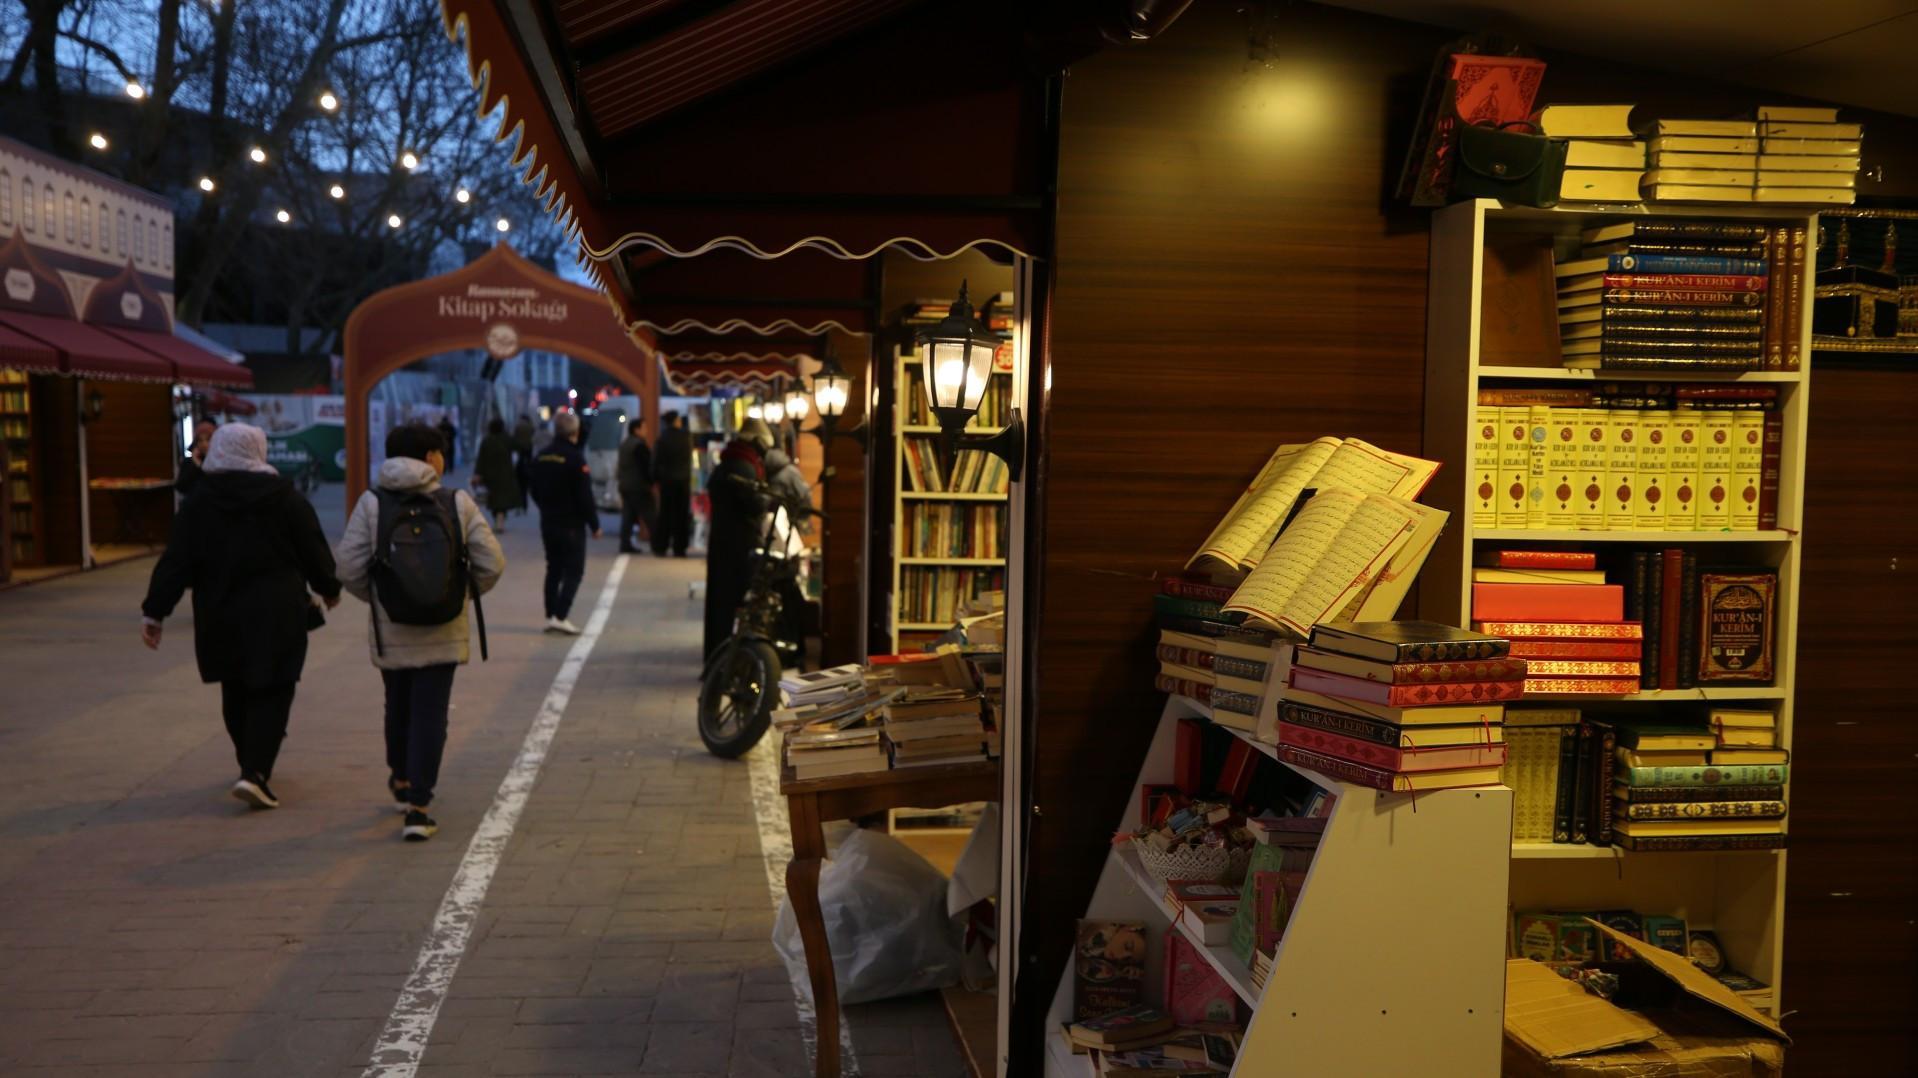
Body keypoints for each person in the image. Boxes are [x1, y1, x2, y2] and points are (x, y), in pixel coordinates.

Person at [141, 424, 341, 810]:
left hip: (220, 607)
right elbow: (312, 547)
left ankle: (249, 763)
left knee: (235, 687)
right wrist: (328, 588)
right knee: (275, 685)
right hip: (277, 609)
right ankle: (256, 772)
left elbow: (176, 560)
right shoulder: (284, 498)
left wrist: (155, 611)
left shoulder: (199, 501)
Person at [334, 423, 504, 841]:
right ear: (431, 457)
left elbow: (348, 569)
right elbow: (492, 563)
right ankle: (419, 808)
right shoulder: (456, 502)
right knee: (431, 714)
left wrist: (384, 599)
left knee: (398, 705)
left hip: (392, 630)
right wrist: (454, 596)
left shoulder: (372, 503)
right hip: (444, 629)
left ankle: (402, 779)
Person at [703, 419, 773, 659]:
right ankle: (730, 657)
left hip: (723, 540)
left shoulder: (729, 461)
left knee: (720, 601)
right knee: (732, 601)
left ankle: (717, 654)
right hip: (737, 544)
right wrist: (766, 501)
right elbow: (753, 503)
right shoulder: (743, 466)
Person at [529, 411, 600, 634]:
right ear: (575, 432)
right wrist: (594, 524)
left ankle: (551, 614)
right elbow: (584, 495)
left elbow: (533, 487)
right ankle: (561, 614)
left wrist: (545, 507)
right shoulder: (575, 458)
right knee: (574, 570)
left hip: (548, 520)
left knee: (554, 568)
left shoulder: (542, 456)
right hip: (571, 523)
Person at [652, 411, 694, 558]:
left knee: (665, 514)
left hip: (667, 481)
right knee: (681, 516)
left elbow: (656, 461)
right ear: (676, 421)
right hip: (683, 481)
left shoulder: (662, 438)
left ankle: (661, 546)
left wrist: (656, 479)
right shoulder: (685, 437)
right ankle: (680, 547)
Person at [474, 418, 521, 532]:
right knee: (503, 499)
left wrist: (478, 473)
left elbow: (481, 458)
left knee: (494, 499)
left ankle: (497, 520)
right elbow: (518, 446)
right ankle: (500, 520)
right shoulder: (507, 439)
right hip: (506, 474)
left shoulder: (487, 440)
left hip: (489, 475)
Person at [615, 419, 654, 554]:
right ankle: (658, 543)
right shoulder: (639, 446)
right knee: (650, 515)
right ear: (636, 430)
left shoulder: (625, 444)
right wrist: (651, 481)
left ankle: (625, 544)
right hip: (638, 486)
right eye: (644, 428)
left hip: (625, 485)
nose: (646, 430)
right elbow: (646, 466)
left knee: (628, 516)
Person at [174, 418, 218, 496]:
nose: (204, 444)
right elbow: (181, 486)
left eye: (208, 439)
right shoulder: (189, 461)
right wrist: (195, 463)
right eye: (200, 440)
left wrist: (199, 465)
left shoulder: (219, 461)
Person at [512, 414, 535, 506]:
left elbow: (514, 438)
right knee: (528, 467)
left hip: (520, 450)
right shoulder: (531, 426)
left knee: (519, 470)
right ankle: (529, 480)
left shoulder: (518, 427)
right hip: (529, 450)